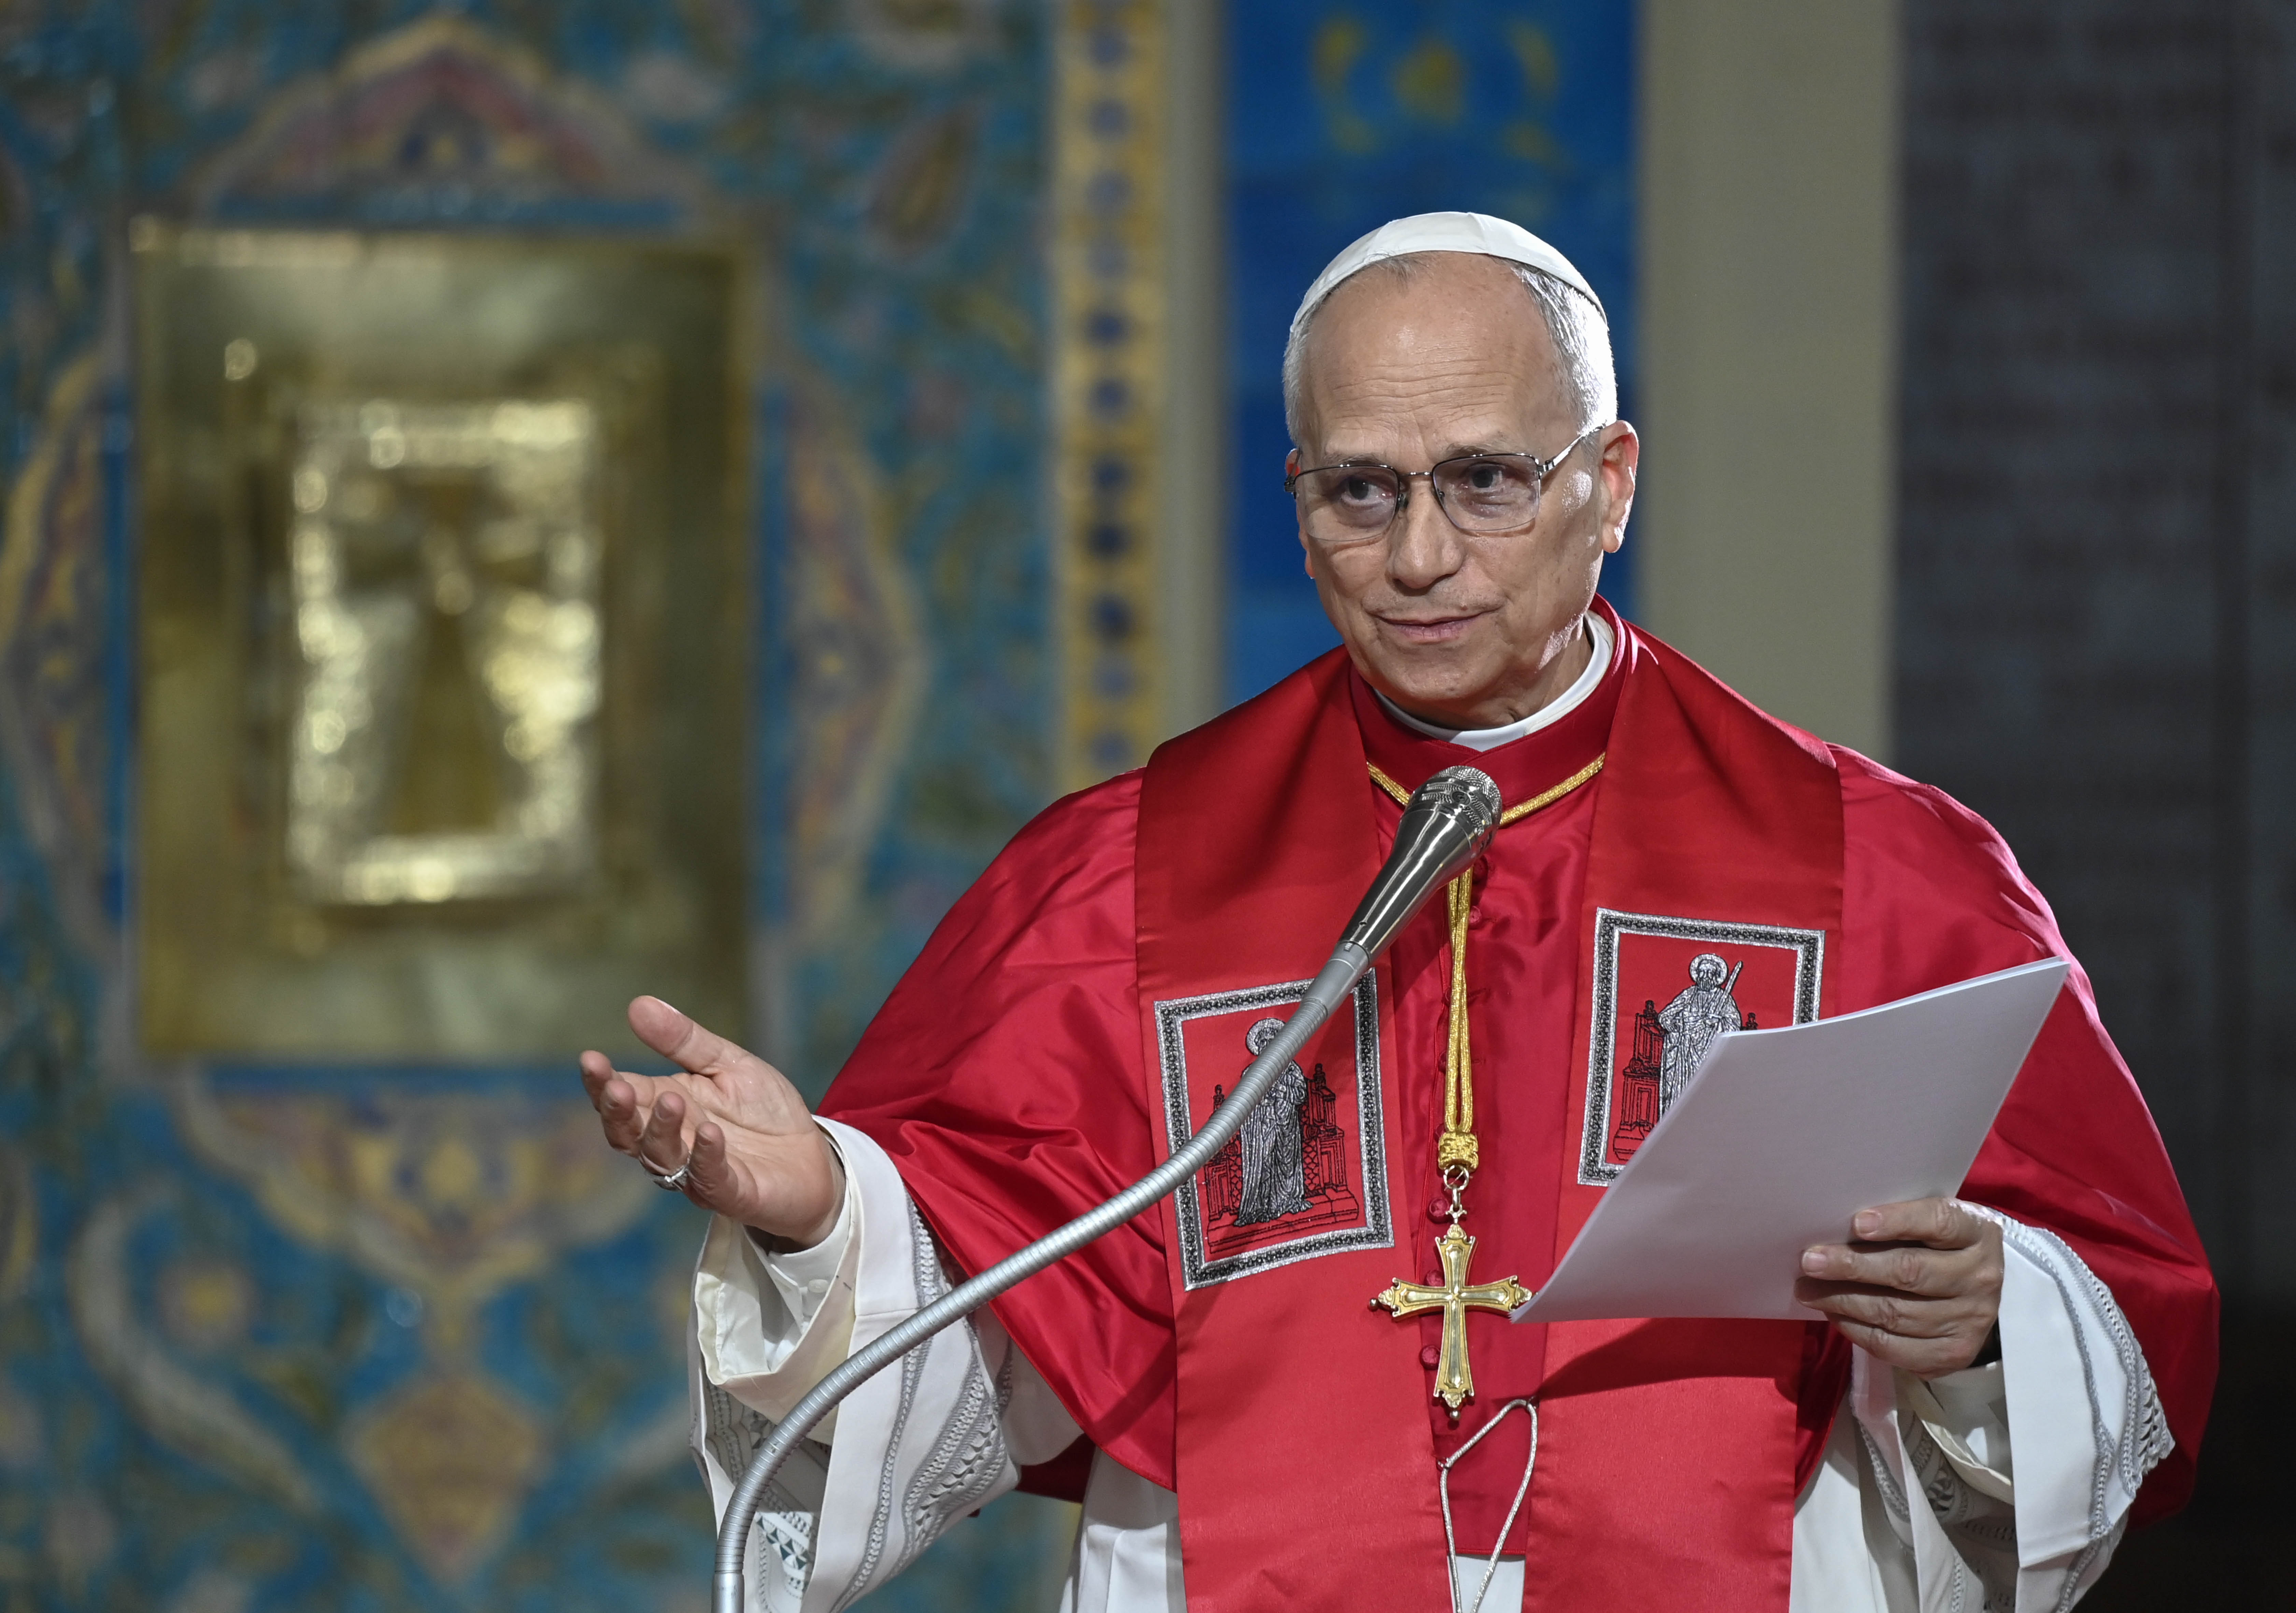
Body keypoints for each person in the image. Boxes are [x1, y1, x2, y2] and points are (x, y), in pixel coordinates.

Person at [580, 213, 2216, 1613]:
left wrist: (1992, 1317)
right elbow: (998, 1311)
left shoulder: (1880, 870)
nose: (1419, 554)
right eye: (1359, 491)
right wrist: (821, 1212)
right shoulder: (1125, 879)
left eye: (1485, 480)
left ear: (1610, 482)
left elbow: (2112, 1299)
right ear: (1296, 497)